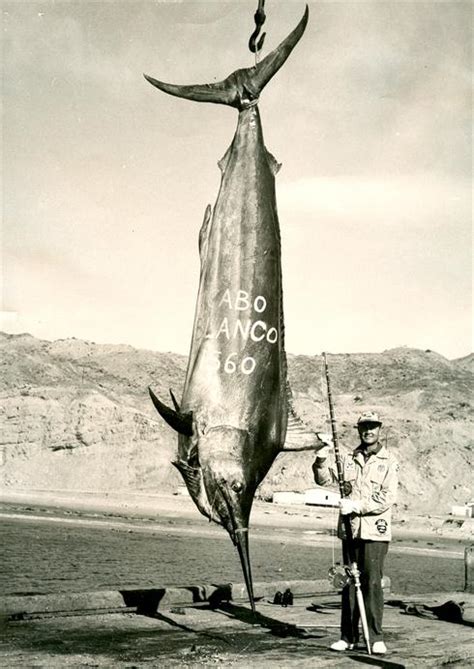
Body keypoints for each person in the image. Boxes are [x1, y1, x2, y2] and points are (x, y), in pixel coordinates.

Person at [313, 411, 398, 655]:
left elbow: (388, 497)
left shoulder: (389, 461)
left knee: (372, 583)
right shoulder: (348, 458)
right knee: (349, 582)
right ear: (358, 430)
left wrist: (357, 506)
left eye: (372, 427)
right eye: (364, 427)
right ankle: (347, 636)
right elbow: (323, 480)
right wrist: (322, 458)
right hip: (349, 531)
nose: (368, 431)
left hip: (375, 532)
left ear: (380, 429)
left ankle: (376, 636)